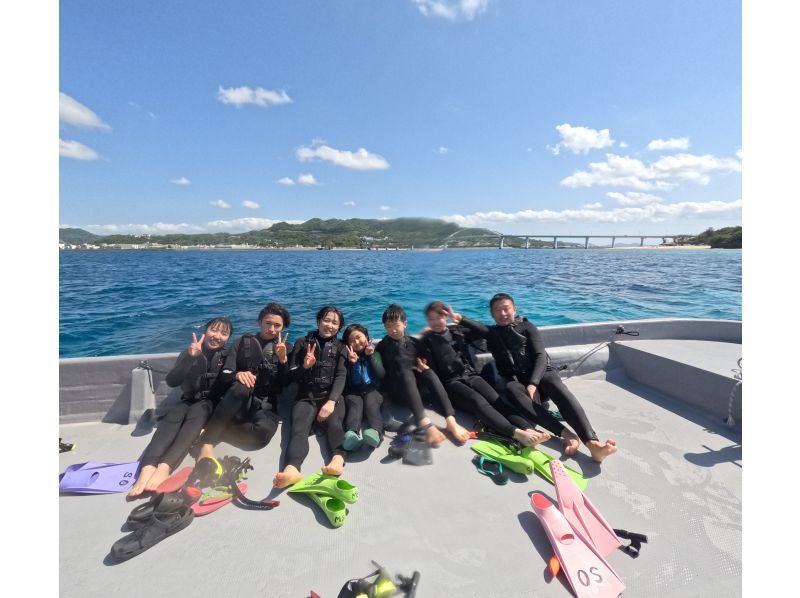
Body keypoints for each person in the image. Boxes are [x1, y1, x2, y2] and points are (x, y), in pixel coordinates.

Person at [466, 293, 617, 462]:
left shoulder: (527, 327)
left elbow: (540, 356)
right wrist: (451, 320)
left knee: (554, 383)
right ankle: (565, 434)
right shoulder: (491, 333)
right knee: (510, 389)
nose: (502, 314)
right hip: (518, 384)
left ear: (514, 309)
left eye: (506, 308)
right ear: (492, 314)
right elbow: (465, 329)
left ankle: (592, 443)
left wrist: (533, 383)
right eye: (497, 310)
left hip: (541, 375)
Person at [420, 301, 553, 447]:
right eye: (430, 319)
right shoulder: (426, 341)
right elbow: (430, 372)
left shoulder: (457, 332)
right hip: (451, 383)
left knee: (496, 400)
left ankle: (527, 427)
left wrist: (459, 318)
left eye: (438, 318)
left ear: (445, 318)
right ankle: (517, 433)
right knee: (478, 401)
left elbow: (485, 331)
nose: (435, 322)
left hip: (471, 376)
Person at [128, 317, 233, 496]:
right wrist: (190, 359)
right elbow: (172, 381)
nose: (217, 336)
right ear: (205, 331)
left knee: (191, 425)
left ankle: (165, 467)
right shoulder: (189, 352)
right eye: (213, 330)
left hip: (207, 404)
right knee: (171, 421)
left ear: (228, 338)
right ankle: (147, 468)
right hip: (187, 400)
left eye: (224, 333)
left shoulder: (228, 356)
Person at [195, 303, 292, 462]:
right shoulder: (242, 342)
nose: (272, 329)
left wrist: (282, 360)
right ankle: (207, 442)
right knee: (241, 387)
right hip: (238, 401)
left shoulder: (287, 348)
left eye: (277, 325)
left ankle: (214, 428)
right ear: (259, 322)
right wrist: (237, 374)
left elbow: (285, 383)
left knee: (260, 437)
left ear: (284, 327)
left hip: (265, 404)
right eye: (268, 323)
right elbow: (225, 374)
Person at [375, 303, 471, 447]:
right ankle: (426, 424)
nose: (393, 330)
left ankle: (451, 421)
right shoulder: (382, 346)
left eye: (396, 325)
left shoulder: (416, 343)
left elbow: (428, 363)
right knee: (406, 371)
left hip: (417, 392)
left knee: (428, 372)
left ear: (405, 324)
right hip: (398, 391)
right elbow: (381, 373)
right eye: (388, 326)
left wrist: (423, 367)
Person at [273, 306, 348, 488]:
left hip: (330, 396)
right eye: (326, 320)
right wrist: (305, 367)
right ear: (318, 321)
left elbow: (341, 375)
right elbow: (290, 375)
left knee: (335, 424)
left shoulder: (340, 348)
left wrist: (331, 402)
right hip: (305, 396)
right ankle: (292, 469)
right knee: (298, 428)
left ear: (339, 328)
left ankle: (337, 460)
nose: (329, 325)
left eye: (334, 323)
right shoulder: (302, 343)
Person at [340, 323, 385, 451]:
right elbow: (346, 380)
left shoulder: (375, 353)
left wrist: (370, 356)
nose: (356, 342)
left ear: (366, 336)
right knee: (355, 406)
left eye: (359, 337)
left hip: (372, 389)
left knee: (372, 405)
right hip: (354, 391)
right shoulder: (347, 357)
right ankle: (352, 434)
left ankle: (376, 433)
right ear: (348, 344)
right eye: (352, 340)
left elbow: (381, 374)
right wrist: (352, 363)